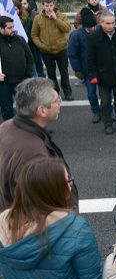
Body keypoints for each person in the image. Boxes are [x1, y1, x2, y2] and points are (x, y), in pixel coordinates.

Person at [0, 157, 108, 279]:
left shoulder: (4, 228)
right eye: (68, 180)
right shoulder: (76, 229)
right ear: (53, 189)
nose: (71, 185)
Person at [0, 77, 78, 211]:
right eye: (56, 100)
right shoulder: (34, 154)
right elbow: (41, 204)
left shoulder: (6, 127)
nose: (60, 102)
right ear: (42, 111)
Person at [31, 0, 73, 100]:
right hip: (46, 51)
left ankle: (68, 92)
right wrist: (42, 45)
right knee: (51, 73)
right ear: (42, 6)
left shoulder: (61, 16)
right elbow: (34, 35)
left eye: (51, 5)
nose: (49, 8)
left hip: (61, 49)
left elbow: (67, 29)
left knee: (64, 72)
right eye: (47, 6)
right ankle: (55, 93)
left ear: (53, 5)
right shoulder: (38, 18)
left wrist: (56, 19)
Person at [67, 9, 101, 123]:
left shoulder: (100, 31)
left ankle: (107, 111)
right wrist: (78, 70)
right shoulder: (76, 35)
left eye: (93, 27)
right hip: (88, 71)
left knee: (105, 93)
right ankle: (96, 112)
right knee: (91, 93)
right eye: (89, 28)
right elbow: (72, 54)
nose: (92, 29)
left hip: (102, 69)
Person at [0, 15, 33, 121]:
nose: (12, 29)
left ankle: (28, 128)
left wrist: (27, 75)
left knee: (26, 106)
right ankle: (9, 131)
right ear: (1, 29)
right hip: (4, 83)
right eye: (9, 28)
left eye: (13, 27)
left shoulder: (20, 39)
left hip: (21, 80)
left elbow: (29, 57)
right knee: (7, 109)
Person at [15, 0, 44, 77]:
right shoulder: (6, 23)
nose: (14, 11)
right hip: (15, 54)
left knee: (33, 73)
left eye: (16, 9)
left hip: (29, 51)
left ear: (20, 9)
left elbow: (33, 35)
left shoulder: (28, 21)